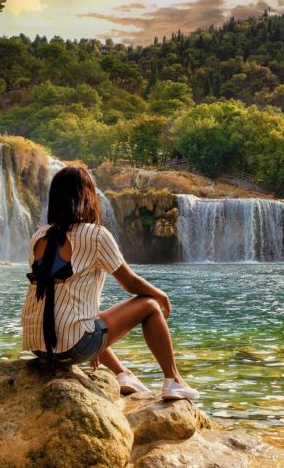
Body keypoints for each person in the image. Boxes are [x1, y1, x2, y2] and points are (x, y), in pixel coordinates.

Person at [21, 165, 199, 400]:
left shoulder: (39, 235)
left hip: (38, 345)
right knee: (149, 305)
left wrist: (95, 333)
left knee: (95, 318)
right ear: (87, 195)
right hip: (71, 346)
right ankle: (173, 380)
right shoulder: (95, 235)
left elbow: (59, 293)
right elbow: (131, 283)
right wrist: (161, 294)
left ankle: (123, 373)